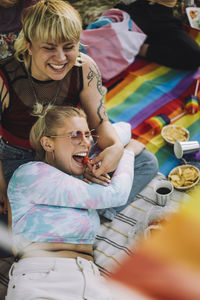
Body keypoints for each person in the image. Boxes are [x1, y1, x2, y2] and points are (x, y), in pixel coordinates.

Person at [0, 0, 158, 223]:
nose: (61, 58)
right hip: (22, 160)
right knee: (16, 229)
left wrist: (114, 149)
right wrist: (3, 187)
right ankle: (87, 215)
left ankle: (88, 215)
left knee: (146, 163)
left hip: (71, 145)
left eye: (69, 47)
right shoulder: (5, 77)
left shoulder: (84, 68)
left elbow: (100, 123)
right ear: (29, 44)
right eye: (48, 47)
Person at [6, 105, 136, 300]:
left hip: (90, 280)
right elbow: (117, 194)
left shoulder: (81, 182)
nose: (86, 143)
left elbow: (125, 128)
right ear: (48, 144)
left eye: (88, 135)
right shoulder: (31, 174)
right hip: (43, 279)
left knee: (148, 162)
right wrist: (127, 152)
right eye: (75, 135)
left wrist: (115, 147)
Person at [116, 0, 200, 70]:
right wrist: (144, 50)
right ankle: (139, 48)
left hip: (152, 10)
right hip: (147, 12)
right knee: (194, 56)